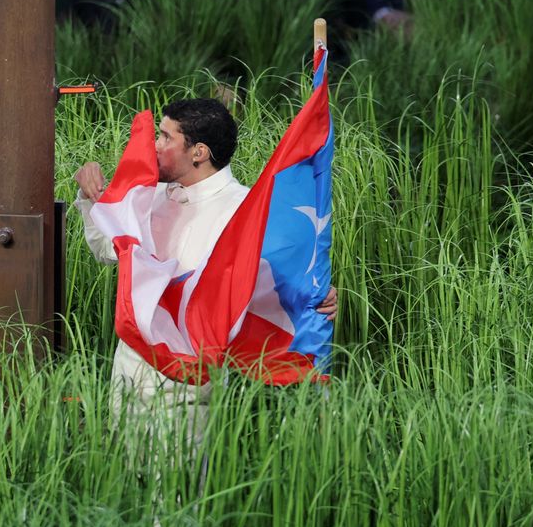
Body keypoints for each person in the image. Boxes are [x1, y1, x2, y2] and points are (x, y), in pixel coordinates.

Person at [73, 98, 338, 449]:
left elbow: (277, 287)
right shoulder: (149, 194)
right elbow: (108, 251)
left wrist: (318, 296)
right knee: (121, 491)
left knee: (178, 493)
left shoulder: (245, 211)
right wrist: (93, 196)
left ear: (198, 152)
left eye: (166, 137)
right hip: (129, 369)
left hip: (191, 383)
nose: (155, 145)